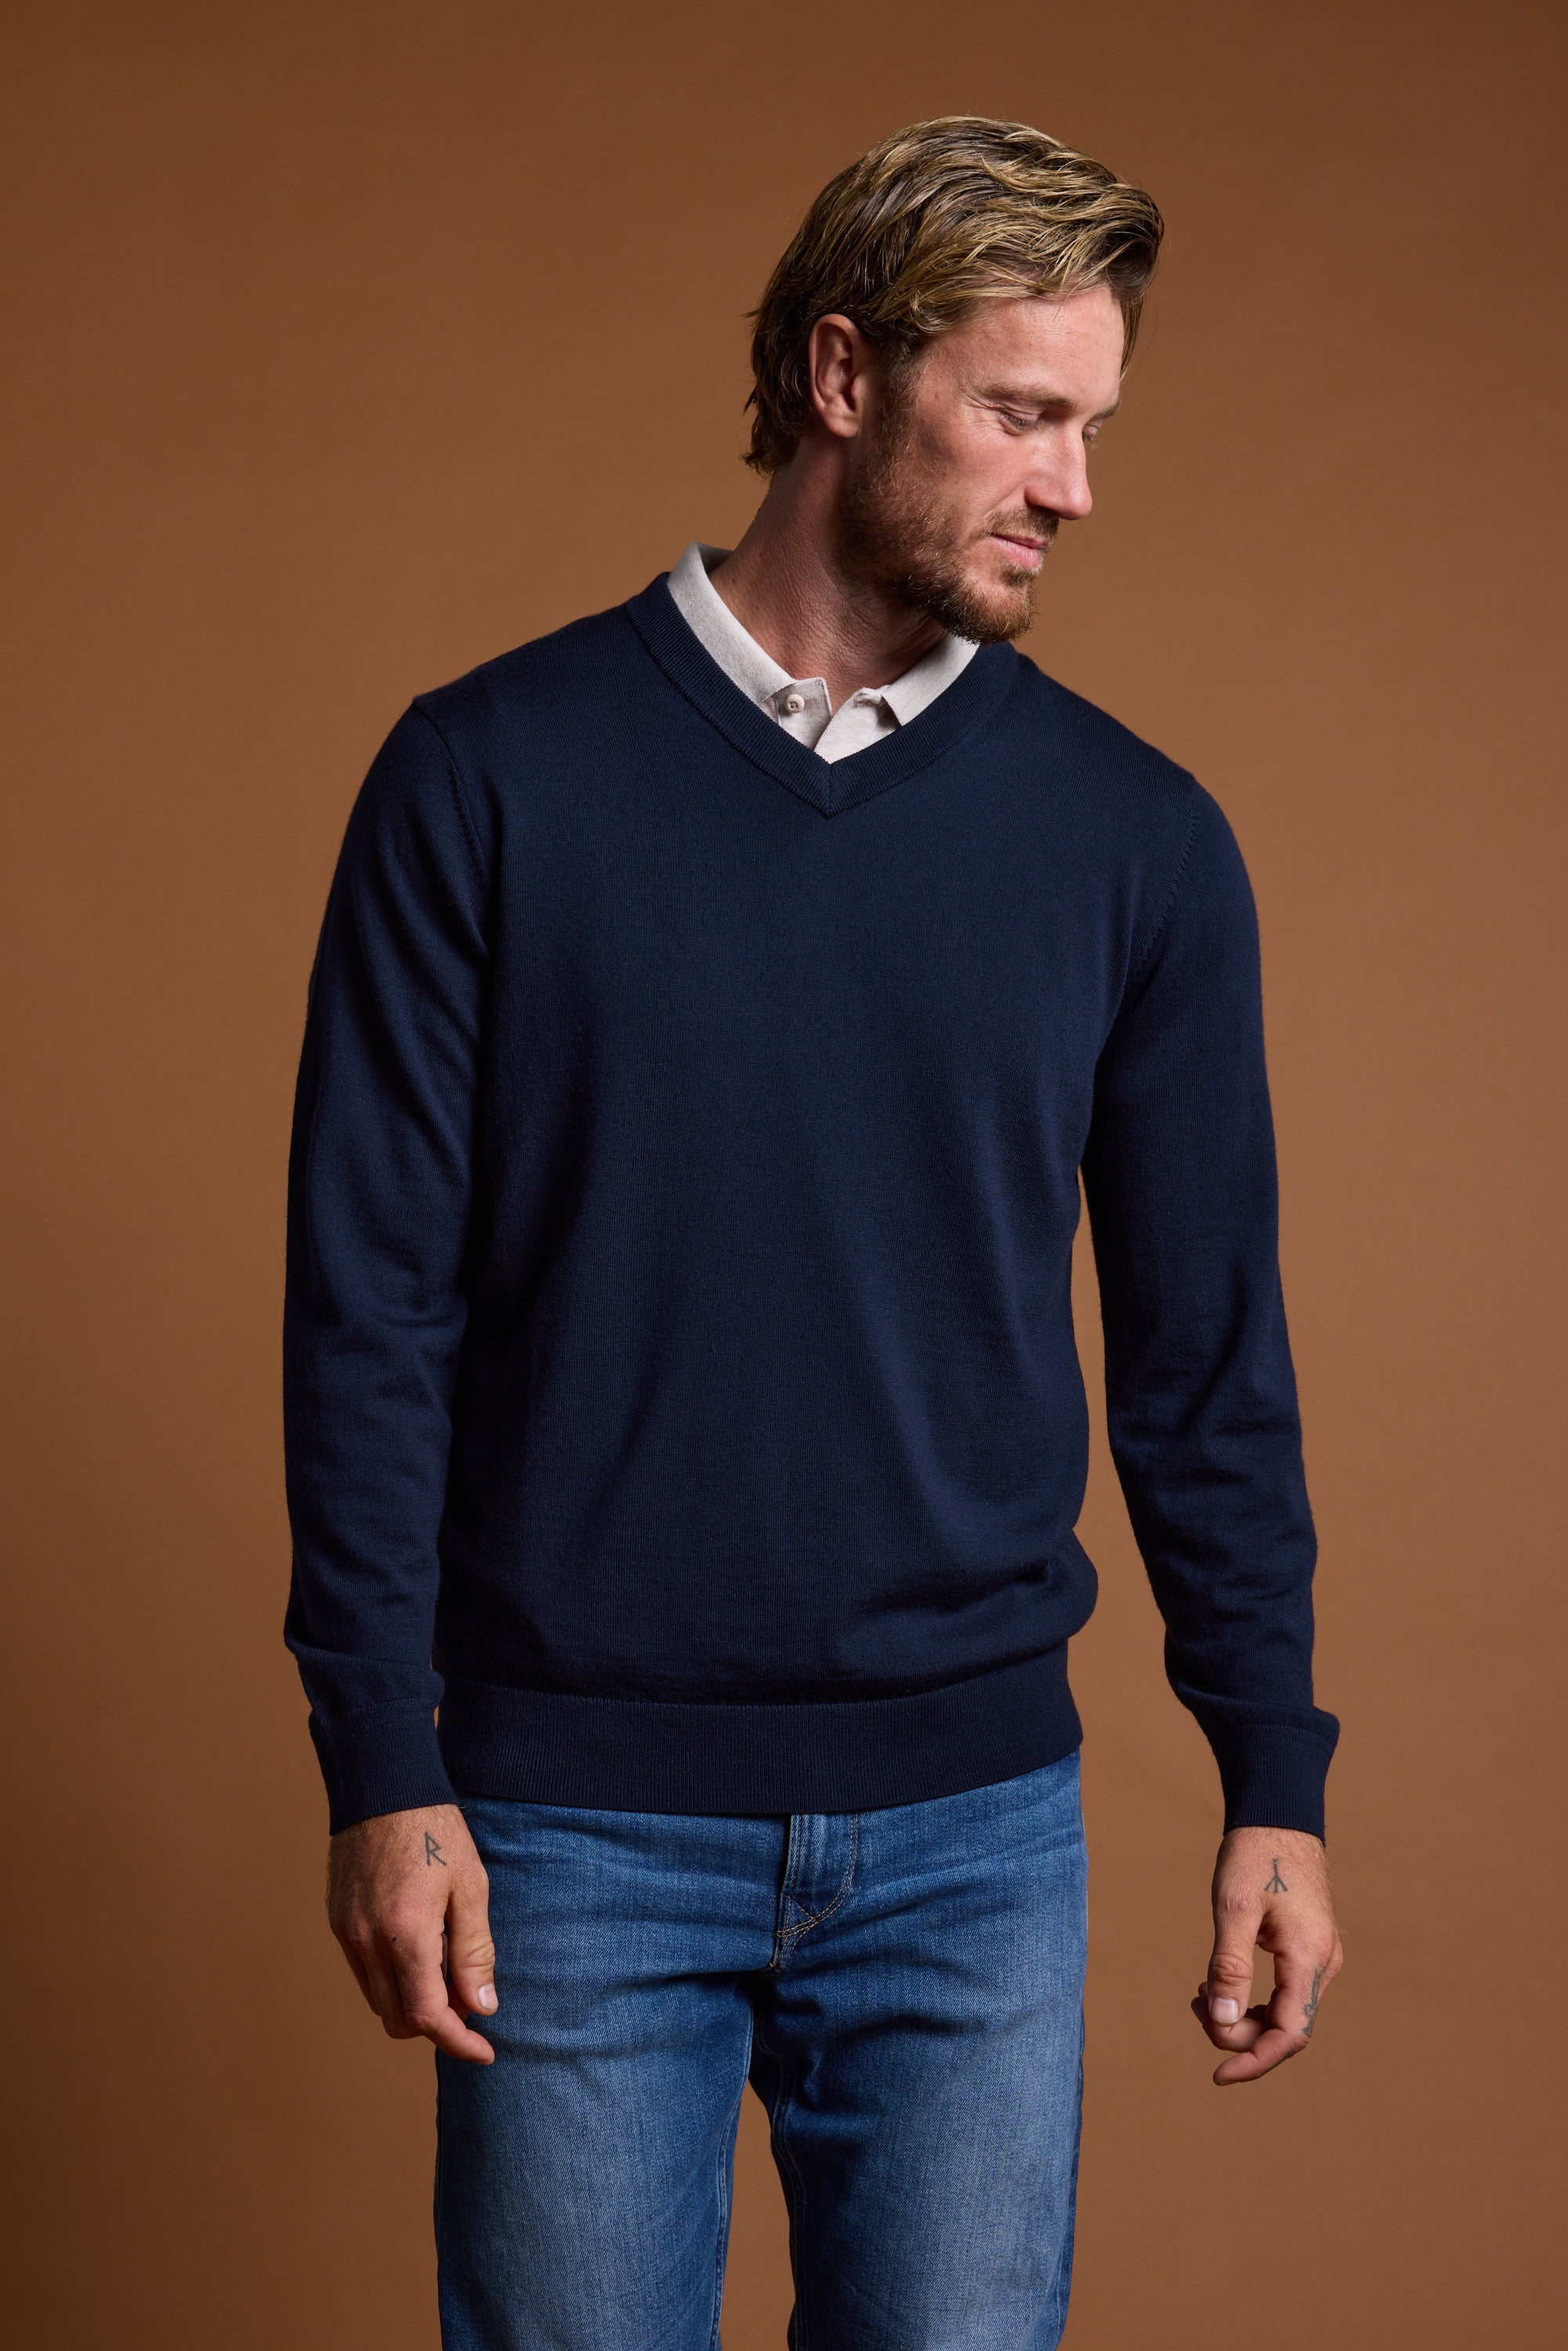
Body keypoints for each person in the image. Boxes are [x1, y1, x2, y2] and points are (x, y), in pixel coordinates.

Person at [283, 115, 1343, 2351]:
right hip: (564, 1834)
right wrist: (382, 1757)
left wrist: (1274, 1775)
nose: (1073, 489)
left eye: (1094, 427)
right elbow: (369, 1309)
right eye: (1023, 415)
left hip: (975, 1841)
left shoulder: (1135, 842)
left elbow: (1203, 1357)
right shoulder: (486, 776)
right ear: (845, 377)